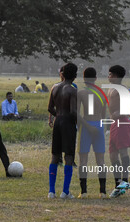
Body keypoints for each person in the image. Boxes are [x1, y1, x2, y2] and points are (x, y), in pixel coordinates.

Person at [47, 63, 78, 199]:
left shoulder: (55, 87)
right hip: (68, 123)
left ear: (62, 74)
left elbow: (50, 108)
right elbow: (73, 111)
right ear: (75, 76)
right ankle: (65, 191)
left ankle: (51, 191)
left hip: (58, 121)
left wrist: (58, 115)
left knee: (55, 155)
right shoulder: (72, 90)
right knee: (69, 156)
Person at [77, 67, 107, 198]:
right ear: (95, 78)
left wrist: (88, 127)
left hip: (86, 126)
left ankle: (83, 192)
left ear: (83, 78)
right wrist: (100, 127)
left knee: (83, 160)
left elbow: (77, 114)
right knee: (100, 160)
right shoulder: (102, 93)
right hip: (99, 126)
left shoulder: (81, 93)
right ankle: (103, 191)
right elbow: (104, 115)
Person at [107, 65, 130, 198]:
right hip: (114, 124)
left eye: (110, 74)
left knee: (122, 151)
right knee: (112, 154)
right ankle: (118, 183)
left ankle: (125, 181)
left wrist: (120, 112)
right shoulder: (112, 88)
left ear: (116, 76)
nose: (108, 76)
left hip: (122, 123)